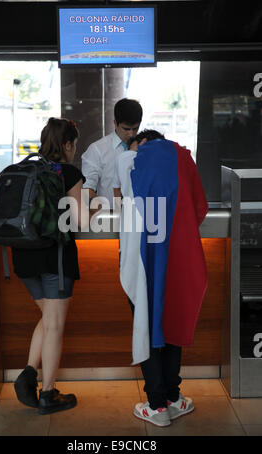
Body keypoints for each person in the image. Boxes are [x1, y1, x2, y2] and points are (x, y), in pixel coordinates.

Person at [113, 129, 208, 427]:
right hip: (177, 257)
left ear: (142, 143)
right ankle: (173, 397)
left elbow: (120, 196)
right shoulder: (182, 158)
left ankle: (156, 405)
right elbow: (200, 208)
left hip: (141, 259)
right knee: (172, 320)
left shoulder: (130, 160)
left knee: (146, 321)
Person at [12, 117, 89, 415]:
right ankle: (47, 394)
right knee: (55, 324)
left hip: (23, 257)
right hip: (54, 256)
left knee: (48, 319)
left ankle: (29, 373)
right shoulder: (67, 171)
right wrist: (92, 206)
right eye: (74, 145)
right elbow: (80, 221)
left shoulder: (25, 167)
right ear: (67, 144)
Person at [81, 98, 143, 207]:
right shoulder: (97, 150)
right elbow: (87, 189)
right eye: (126, 129)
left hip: (140, 216)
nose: (131, 134)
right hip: (109, 216)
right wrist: (102, 215)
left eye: (135, 128)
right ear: (115, 123)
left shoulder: (145, 147)